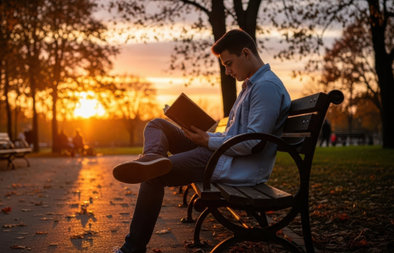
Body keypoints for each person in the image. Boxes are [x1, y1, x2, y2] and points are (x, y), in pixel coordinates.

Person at [112, 29, 291, 253]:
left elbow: (252, 143)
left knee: (153, 176)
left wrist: (207, 141)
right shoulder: (251, 86)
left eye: (229, 64)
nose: (227, 71)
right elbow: (234, 136)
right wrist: (202, 135)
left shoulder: (266, 88)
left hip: (234, 165)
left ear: (246, 53)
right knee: (157, 125)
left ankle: (132, 249)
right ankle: (151, 159)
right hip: (223, 154)